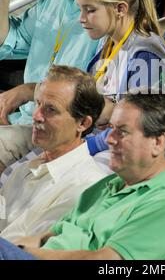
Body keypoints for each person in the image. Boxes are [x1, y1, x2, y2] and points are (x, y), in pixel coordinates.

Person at [0, 0, 123, 171]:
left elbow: (92, 98)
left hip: (56, 129)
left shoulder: (114, 13)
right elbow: (6, 42)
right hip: (23, 115)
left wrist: (28, 90)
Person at [0, 93, 165, 260]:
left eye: (122, 131)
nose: (109, 139)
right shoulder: (108, 185)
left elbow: (107, 261)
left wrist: (23, 254)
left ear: (158, 142)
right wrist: (17, 249)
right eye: (111, 128)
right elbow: (44, 238)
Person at [0, 65, 108, 242]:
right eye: (38, 104)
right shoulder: (27, 168)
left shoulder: (85, 188)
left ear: (82, 123)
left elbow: (24, 250)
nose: (36, 115)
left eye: (51, 110)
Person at [76, 0, 165, 128]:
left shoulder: (145, 56)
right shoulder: (107, 42)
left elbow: (143, 127)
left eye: (90, 10)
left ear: (120, 9)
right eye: (80, 10)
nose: (81, 19)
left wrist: (108, 116)